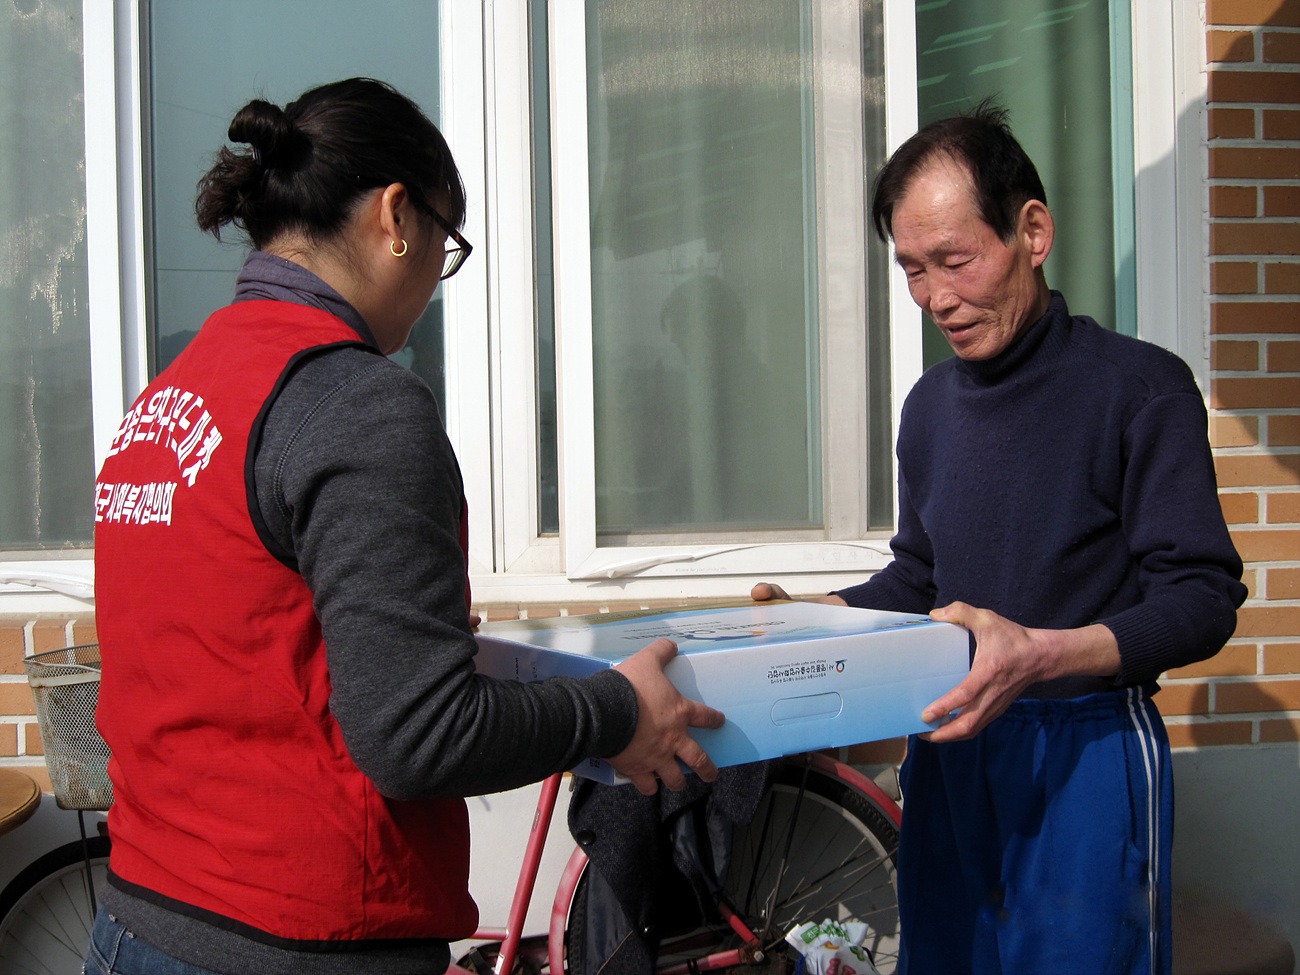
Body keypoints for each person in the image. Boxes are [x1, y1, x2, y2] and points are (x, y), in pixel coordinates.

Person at [90, 78, 723, 975]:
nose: (434, 278)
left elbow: (227, 636)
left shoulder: (172, 393)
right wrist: (619, 711)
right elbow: (418, 736)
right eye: (445, 244)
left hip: (139, 916)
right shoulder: (356, 399)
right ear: (397, 216)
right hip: (295, 936)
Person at [754, 103, 1245, 974]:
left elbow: (1202, 599)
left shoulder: (1140, 390)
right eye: (911, 270)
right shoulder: (931, 408)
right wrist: (810, 619)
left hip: (1087, 752)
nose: (936, 297)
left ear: (1033, 231)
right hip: (948, 751)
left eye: (956, 260)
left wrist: (1045, 654)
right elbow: (920, 578)